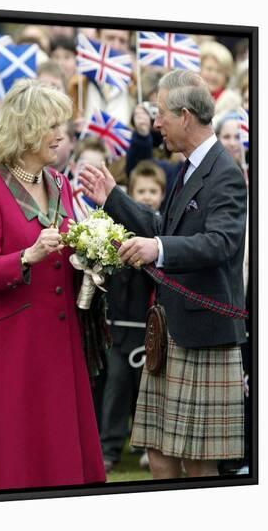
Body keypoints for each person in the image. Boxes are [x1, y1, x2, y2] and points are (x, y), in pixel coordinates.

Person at [79, 69, 247, 479]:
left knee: (200, 464)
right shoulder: (187, 167)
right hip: (172, 330)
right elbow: (163, 230)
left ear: (185, 115)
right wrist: (114, 200)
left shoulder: (224, 173)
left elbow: (221, 243)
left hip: (204, 334)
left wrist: (161, 249)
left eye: (161, 114)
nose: (155, 123)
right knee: (158, 452)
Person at [0, 79, 106, 492]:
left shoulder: (58, 182)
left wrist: (94, 253)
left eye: (62, 124)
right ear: (25, 130)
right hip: (11, 343)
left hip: (59, 338)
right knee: (13, 452)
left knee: (58, 447)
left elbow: (68, 247)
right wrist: (26, 256)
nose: (61, 134)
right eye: (51, 125)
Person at [101, 162, 165, 473]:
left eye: (153, 192)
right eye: (141, 191)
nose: (147, 197)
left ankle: (145, 446)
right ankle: (110, 448)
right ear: (130, 194)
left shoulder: (162, 235)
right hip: (118, 329)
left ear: (162, 195)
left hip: (148, 330)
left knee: (146, 391)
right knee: (115, 388)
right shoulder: (116, 228)